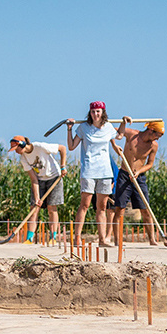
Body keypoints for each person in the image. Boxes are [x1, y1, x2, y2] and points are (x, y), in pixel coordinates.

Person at [66, 101, 119, 247]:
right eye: (93, 111)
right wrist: (69, 129)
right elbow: (71, 147)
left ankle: (102, 240)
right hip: (89, 170)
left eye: (98, 111)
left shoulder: (108, 127)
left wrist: (125, 123)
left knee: (102, 207)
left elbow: (119, 136)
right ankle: (76, 238)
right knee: (85, 204)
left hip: (105, 171)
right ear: (90, 113)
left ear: (103, 112)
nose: (95, 114)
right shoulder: (83, 128)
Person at [109, 118, 164, 246]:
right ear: (151, 130)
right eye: (158, 135)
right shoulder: (131, 134)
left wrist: (139, 172)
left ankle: (152, 239)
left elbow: (150, 164)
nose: (158, 139)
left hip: (139, 177)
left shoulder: (153, 145)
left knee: (145, 209)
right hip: (124, 175)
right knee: (120, 209)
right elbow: (110, 132)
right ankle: (117, 241)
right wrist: (114, 145)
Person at [10, 135, 67, 243]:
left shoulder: (39, 147)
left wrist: (63, 166)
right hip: (39, 180)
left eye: (16, 149)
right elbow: (34, 179)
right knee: (34, 208)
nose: (15, 152)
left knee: (51, 208)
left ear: (22, 144)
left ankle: (53, 237)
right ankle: (29, 238)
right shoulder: (23, 158)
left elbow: (62, 148)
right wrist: (37, 198)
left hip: (54, 177)